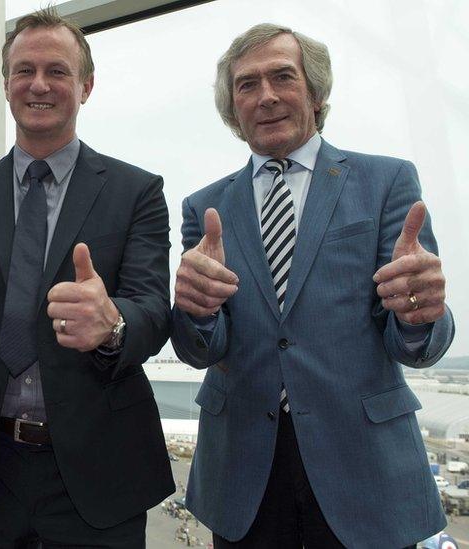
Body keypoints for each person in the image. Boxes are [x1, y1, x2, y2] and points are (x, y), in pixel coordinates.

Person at [0, 8, 173, 547]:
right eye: (24, 70)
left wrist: (113, 323)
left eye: (57, 71)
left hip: (99, 467)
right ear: (5, 84)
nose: (38, 84)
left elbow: (152, 309)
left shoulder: (136, 192)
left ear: (86, 86)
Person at [170, 23, 453, 548]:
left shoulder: (387, 181)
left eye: (283, 77)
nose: (267, 96)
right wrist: (195, 313)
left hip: (362, 464)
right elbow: (198, 349)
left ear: (317, 94)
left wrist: (419, 313)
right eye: (247, 85)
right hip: (243, 470)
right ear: (232, 108)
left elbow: (415, 342)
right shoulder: (204, 208)